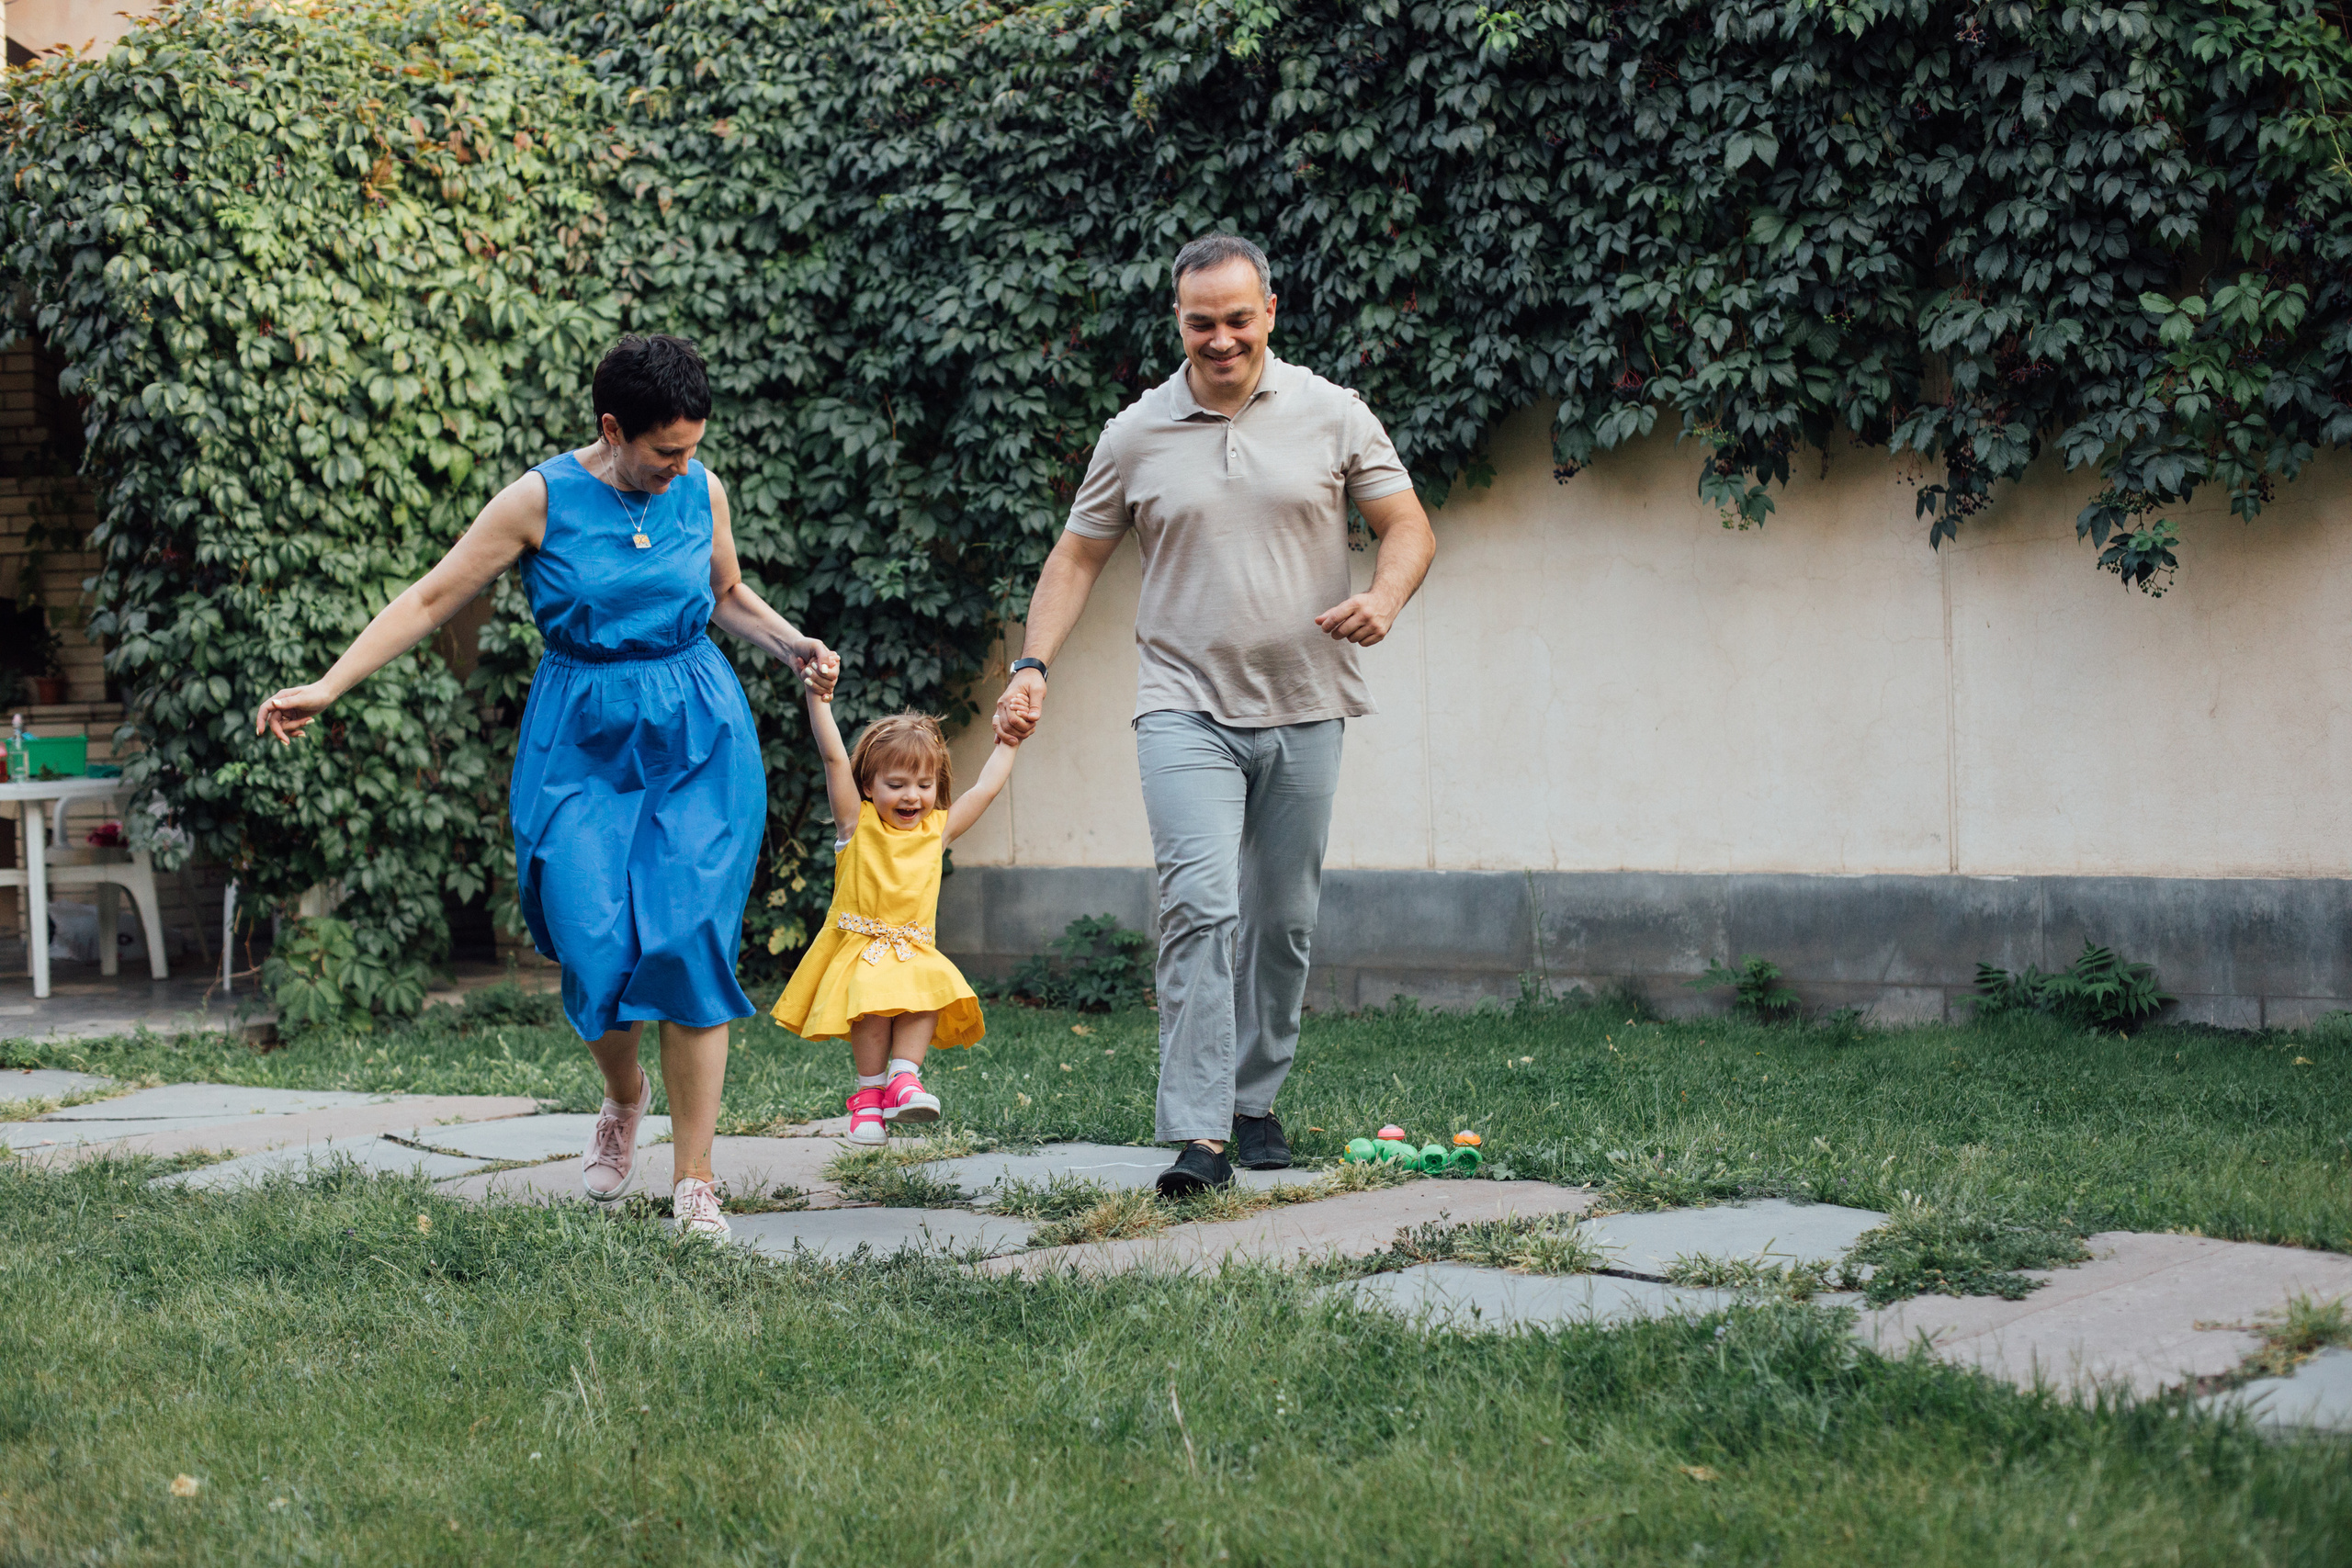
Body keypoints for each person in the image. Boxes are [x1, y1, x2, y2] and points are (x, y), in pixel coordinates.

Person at [254, 333, 836, 1242]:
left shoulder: (702, 487)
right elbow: (429, 599)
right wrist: (330, 683)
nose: (683, 467)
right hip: (582, 736)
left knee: (686, 943)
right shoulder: (538, 500)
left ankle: (695, 1182)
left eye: (692, 448)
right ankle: (622, 1093)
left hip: (694, 731)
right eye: (665, 452)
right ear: (613, 429)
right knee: (589, 939)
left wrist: (789, 643)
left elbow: (726, 592)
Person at [992, 234, 1437, 1196]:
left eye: (1239, 318)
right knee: (1201, 905)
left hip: (1308, 703)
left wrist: (1386, 597)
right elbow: (1076, 558)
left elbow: (1407, 525)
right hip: (1181, 704)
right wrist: (1033, 663)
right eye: (1203, 322)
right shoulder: (1137, 433)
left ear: (1269, 311)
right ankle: (1199, 1135)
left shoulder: (1331, 413)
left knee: (1282, 920)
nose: (1223, 338)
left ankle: (1254, 1097)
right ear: (1178, 323)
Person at [772, 695, 1020, 1145]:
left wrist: (1009, 743)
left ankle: (904, 1079)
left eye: (925, 785)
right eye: (897, 784)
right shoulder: (855, 824)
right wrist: (816, 699)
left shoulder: (936, 831)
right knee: (872, 1008)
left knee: (928, 989)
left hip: (912, 947)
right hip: (862, 948)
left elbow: (982, 790)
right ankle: (868, 1096)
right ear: (868, 785)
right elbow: (832, 758)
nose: (913, 796)